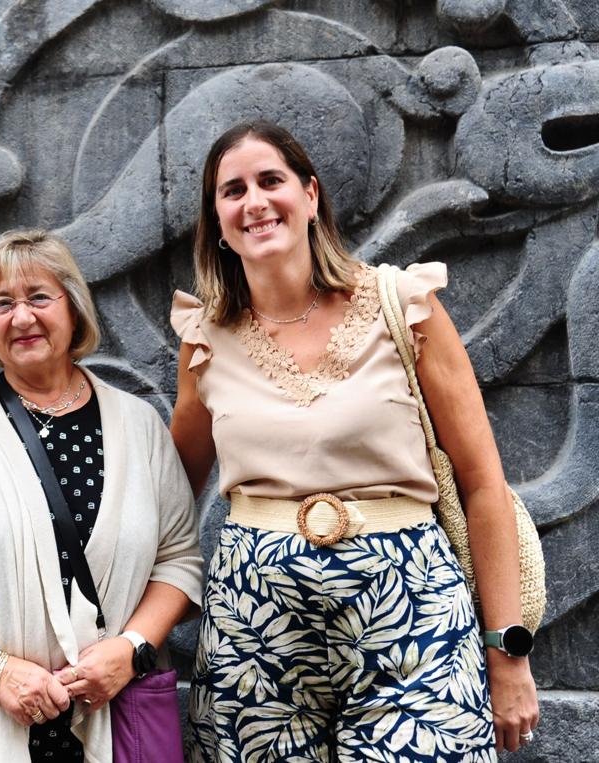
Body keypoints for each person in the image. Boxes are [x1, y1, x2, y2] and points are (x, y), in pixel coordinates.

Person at [170, 122, 539, 761]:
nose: (254, 202)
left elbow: (483, 482)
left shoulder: (404, 305)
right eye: (233, 191)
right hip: (253, 632)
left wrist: (507, 653)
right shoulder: (204, 338)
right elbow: (167, 493)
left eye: (271, 181)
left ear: (310, 195)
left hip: (412, 613)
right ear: (219, 223)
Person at [0, 230, 202, 762]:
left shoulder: (139, 426)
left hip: (110, 716)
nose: (21, 317)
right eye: (2, 304)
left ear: (73, 307)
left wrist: (131, 650)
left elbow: (179, 561)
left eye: (39, 297)